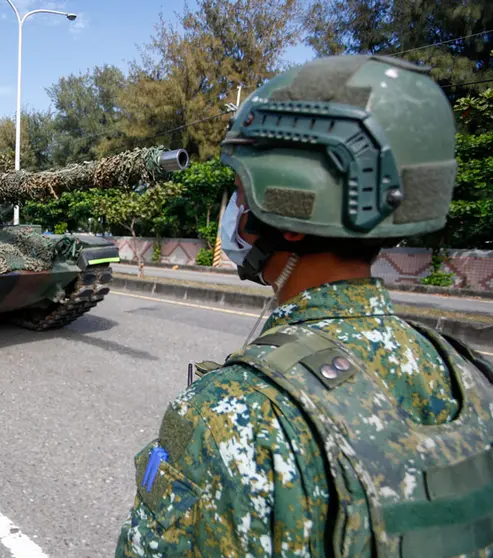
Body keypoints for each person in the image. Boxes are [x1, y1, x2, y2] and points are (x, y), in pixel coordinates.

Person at [115, 54, 493, 556]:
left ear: (290, 208)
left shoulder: (228, 413)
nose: (234, 208)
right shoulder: (469, 375)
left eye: (241, 188)